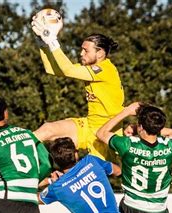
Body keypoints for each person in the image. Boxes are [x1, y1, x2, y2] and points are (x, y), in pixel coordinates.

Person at [31, 13, 124, 161]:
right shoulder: (92, 68)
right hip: (88, 124)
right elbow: (54, 70)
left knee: (93, 174)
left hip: (105, 132)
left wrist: (52, 40)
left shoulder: (105, 69)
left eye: (86, 50)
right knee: (47, 130)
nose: (81, 53)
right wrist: (43, 44)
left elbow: (67, 69)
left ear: (100, 53)